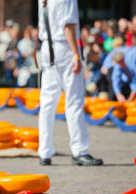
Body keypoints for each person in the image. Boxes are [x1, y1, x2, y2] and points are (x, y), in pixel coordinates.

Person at [36, 0, 102, 166]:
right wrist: (76, 55)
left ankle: (44, 151)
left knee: (47, 102)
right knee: (74, 100)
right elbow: (68, 27)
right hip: (64, 48)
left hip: (47, 47)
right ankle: (79, 150)